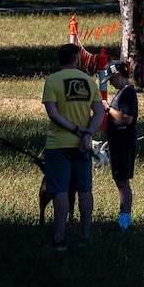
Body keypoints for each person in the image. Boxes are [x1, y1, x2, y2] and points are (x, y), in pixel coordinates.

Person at [41, 43, 103, 250]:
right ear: (77, 58)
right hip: (83, 146)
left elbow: (53, 113)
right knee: (85, 190)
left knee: (60, 191)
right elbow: (99, 113)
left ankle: (59, 239)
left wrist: (77, 131)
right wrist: (87, 133)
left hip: (58, 145)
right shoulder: (89, 81)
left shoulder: (52, 80)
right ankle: (85, 237)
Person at [103, 60, 139, 231]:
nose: (110, 83)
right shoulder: (123, 92)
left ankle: (124, 222)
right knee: (120, 181)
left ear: (118, 74)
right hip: (118, 143)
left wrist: (108, 108)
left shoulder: (127, 93)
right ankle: (123, 220)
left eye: (111, 79)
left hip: (123, 144)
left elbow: (126, 118)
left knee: (122, 182)